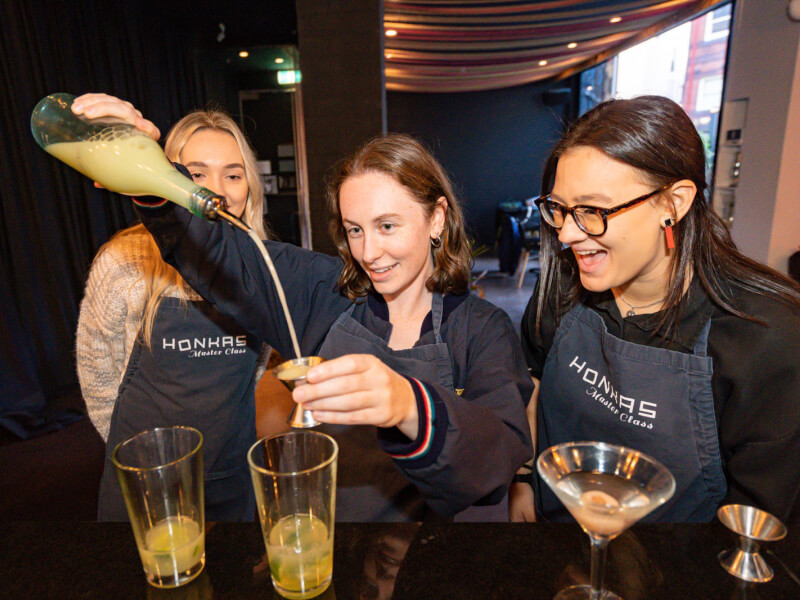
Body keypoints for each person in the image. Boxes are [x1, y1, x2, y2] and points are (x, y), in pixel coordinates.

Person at [71, 93, 534, 522]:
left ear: (436, 218)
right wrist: (153, 178)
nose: (369, 252)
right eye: (355, 230)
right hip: (335, 546)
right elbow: (223, 254)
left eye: (387, 226)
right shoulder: (324, 292)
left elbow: (499, 453)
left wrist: (406, 403)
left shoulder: (482, 328)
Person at [509, 95, 800, 524]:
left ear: (673, 203)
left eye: (592, 210)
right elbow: (532, 383)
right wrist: (524, 479)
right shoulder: (559, 293)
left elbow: (758, 521)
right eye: (559, 208)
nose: (568, 233)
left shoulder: (765, 335)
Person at [76, 107, 274, 521]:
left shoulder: (261, 265)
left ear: (249, 186)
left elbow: (254, 373)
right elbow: (99, 378)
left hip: (230, 481)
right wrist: (138, 462)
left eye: (233, 175)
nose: (217, 189)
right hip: (146, 483)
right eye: (197, 173)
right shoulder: (123, 258)